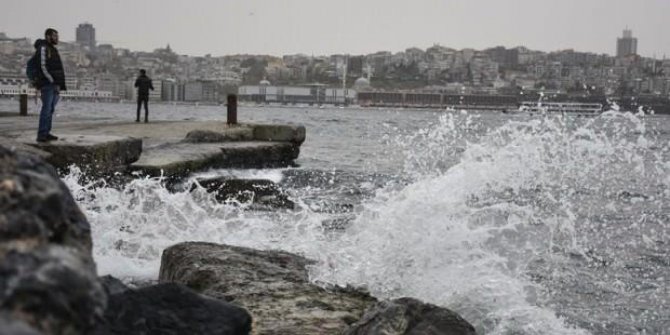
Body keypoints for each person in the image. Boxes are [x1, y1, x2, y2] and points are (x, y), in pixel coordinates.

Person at [35, 28, 66, 142]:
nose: (57, 38)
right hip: (48, 84)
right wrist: (52, 81)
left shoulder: (53, 49)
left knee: (50, 109)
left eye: (57, 36)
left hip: (55, 85)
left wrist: (59, 84)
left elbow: (57, 69)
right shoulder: (43, 48)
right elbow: (43, 67)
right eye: (55, 36)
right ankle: (42, 134)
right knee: (46, 109)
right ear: (48, 36)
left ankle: (47, 132)